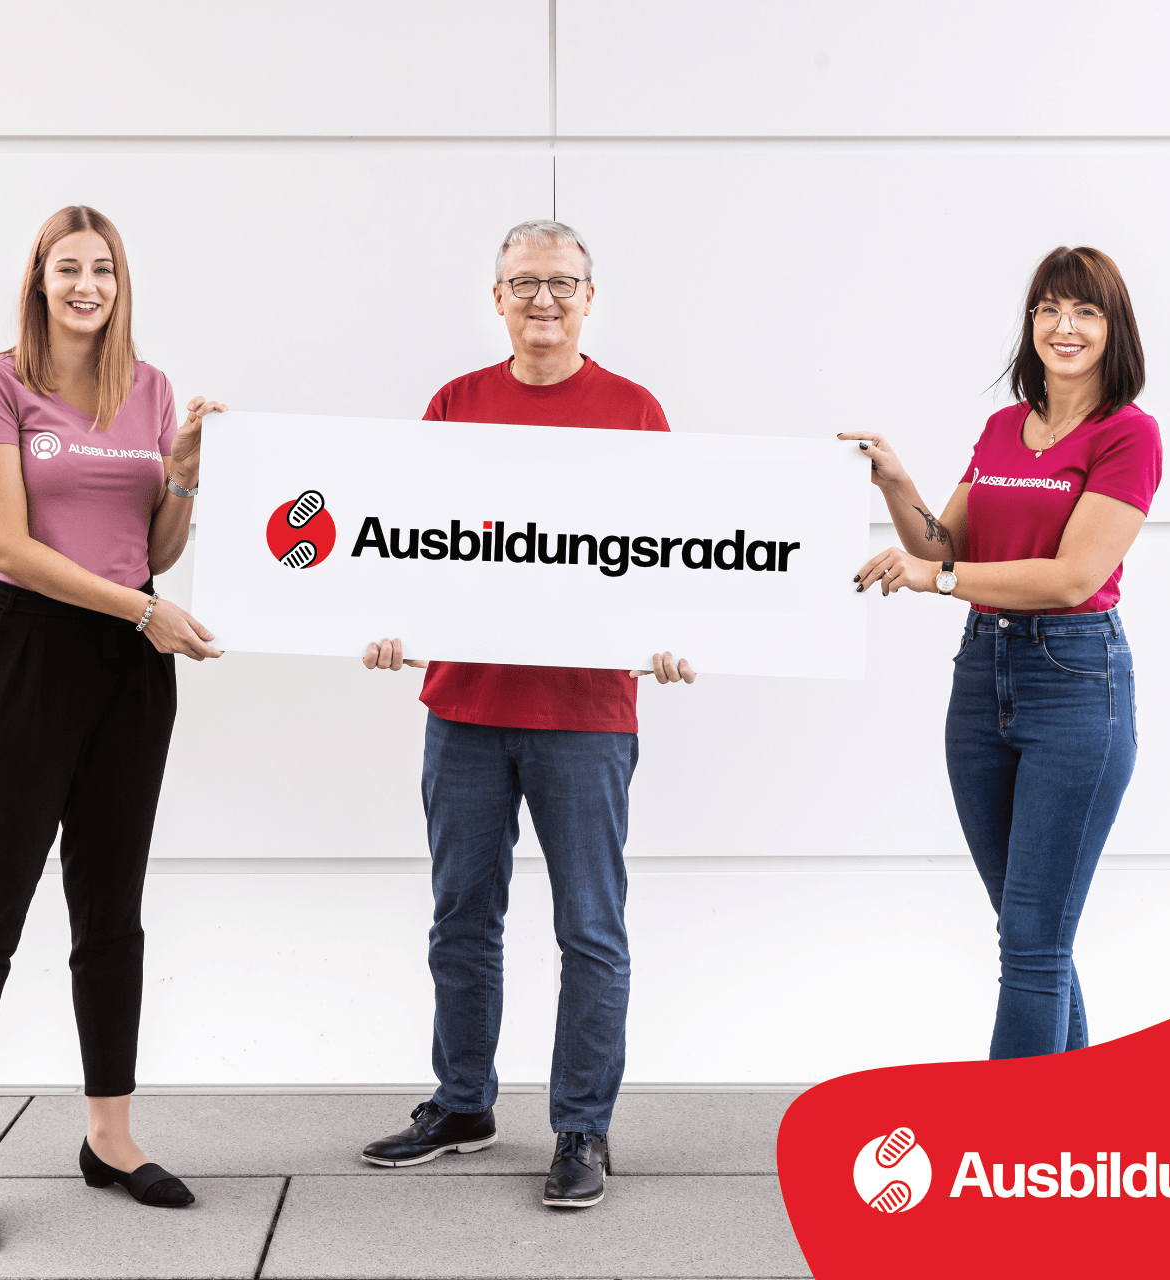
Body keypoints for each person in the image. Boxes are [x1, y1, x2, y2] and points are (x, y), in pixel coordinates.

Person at [358, 220, 696, 1209]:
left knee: (590, 927)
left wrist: (677, 630)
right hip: (465, 703)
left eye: (561, 282)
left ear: (591, 295)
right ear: (495, 296)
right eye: (524, 282)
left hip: (587, 713)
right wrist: (387, 622)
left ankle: (582, 1126)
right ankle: (463, 1101)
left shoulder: (635, 411)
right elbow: (409, 538)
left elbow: (677, 544)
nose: (543, 298)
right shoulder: (455, 404)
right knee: (462, 917)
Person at [0, 205, 225, 1249]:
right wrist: (141, 607)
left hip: (130, 668)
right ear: (39, 279)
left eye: (103, 268)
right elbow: (7, 538)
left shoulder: (149, 388)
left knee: (112, 903)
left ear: (120, 282)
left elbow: (158, 544)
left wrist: (182, 463)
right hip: (25, 651)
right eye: (69, 267)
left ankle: (111, 1135)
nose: (87, 284)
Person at [845, 245, 1160, 1061]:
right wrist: (894, 481)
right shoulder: (1002, 428)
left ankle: (1008, 1154)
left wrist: (937, 575)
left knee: (1030, 938)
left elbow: (1071, 577)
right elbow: (945, 541)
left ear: (1113, 329)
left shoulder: (1128, 435)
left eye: (1087, 312)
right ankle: (1067, 1129)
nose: (1066, 326)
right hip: (983, 676)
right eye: (1051, 308)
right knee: (1031, 928)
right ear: (1030, 324)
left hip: (1074, 681)